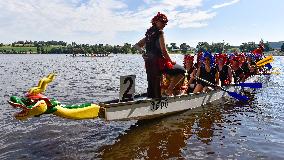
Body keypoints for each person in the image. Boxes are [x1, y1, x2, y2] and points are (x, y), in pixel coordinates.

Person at [134, 12, 173, 99]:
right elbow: (164, 51)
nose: (164, 24)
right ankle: (159, 99)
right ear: (155, 21)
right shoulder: (160, 33)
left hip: (149, 62)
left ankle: (151, 98)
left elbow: (136, 45)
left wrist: (143, 52)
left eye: (165, 23)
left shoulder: (148, 34)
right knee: (180, 71)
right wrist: (171, 61)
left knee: (151, 81)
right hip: (157, 62)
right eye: (162, 22)